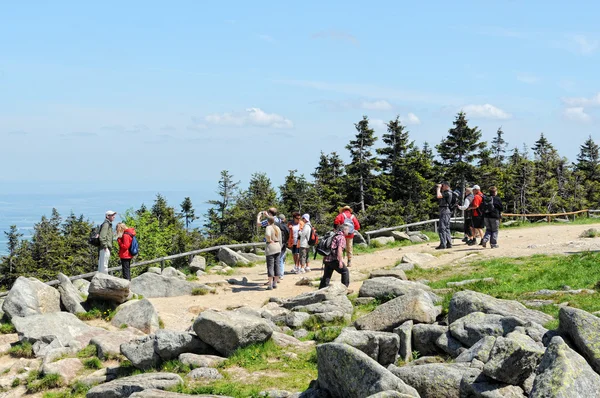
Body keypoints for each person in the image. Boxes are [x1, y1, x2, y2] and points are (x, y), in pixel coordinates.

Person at [318, 224, 350, 290]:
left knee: (327, 276)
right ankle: (344, 289)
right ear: (344, 230)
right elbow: (339, 250)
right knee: (345, 271)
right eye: (348, 230)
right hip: (334, 259)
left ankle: (321, 290)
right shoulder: (341, 237)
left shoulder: (334, 235)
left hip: (326, 258)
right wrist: (340, 261)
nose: (348, 232)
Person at [264, 216, 282, 290]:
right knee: (277, 265)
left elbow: (268, 235)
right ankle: (275, 283)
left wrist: (269, 240)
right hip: (278, 246)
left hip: (271, 247)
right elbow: (280, 239)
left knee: (270, 265)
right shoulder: (277, 228)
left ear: (268, 221)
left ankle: (270, 284)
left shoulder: (268, 227)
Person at [435, 182, 453, 250]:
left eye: (443, 186)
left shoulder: (447, 193)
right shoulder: (449, 192)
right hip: (447, 211)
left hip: (444, 211)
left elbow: (438, 196)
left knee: (442, 228)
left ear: (446, 186)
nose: (442, 187)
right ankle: (449, 243)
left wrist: (438, 188)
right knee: (446, 228)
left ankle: (443, 244)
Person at [277, 214, 288, 279]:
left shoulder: (277, 226)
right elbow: (288, 235)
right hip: (284, 244)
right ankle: (281, 273)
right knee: (282, 259)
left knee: (279, 259)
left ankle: (280, 274)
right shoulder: (286, 227)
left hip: (278, 244)